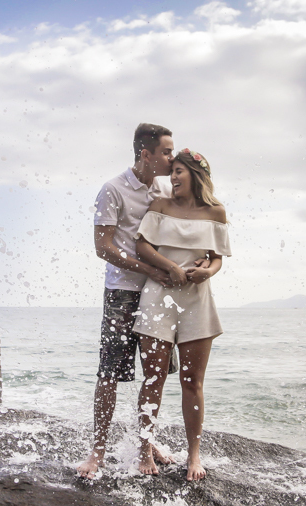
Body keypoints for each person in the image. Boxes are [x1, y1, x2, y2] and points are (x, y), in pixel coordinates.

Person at [76, 123, 178, 480]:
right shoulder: (113, 189)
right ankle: (98, 451)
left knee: (156, 376)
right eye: (166, 151)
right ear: (145, 154)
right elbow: (103, 247)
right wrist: (149, 268)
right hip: (122, 293)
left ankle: (146, 448)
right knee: (109, 374)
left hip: (159, 294)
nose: (172, 157)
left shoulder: (168, 187)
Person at [132, 148, 231, 481]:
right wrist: (171, 267)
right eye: (171, 171)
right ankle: (145, 450)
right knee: (154, 377)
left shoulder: (216, 213)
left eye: (179, 172)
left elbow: (217, 258)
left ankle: (194, 455)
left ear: (196, 175)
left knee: (193, 382)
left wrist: (209, 272)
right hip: (159, 296)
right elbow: (142, 246)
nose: (172, 177)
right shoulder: (160, 206)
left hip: (197, 299)